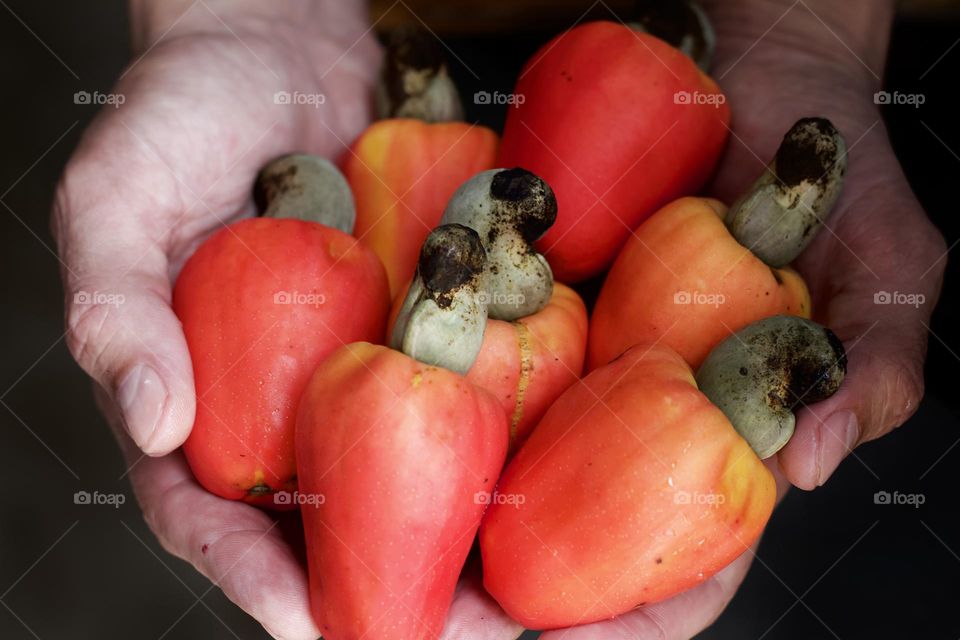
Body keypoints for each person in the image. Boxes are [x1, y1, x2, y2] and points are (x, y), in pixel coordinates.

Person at [52, 0, 945, 638]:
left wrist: (808, 29)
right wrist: (237, 16)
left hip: (774, 74)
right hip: (354, 48)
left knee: (843, 567)